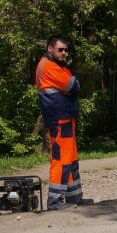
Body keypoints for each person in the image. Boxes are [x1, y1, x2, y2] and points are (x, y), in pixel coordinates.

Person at [35, 35, 94, 210]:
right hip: (58, 120)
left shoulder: (56, 67)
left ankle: (74, 198)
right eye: (60, 49)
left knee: (71, 159)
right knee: (61, 160)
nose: (63, 52)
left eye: (65, 50)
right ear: (49, 48)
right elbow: (72, 85)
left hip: (65, 119)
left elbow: (69, 82)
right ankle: (55, 203)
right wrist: (70, 82)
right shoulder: (48, 66)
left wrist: (69, 80)